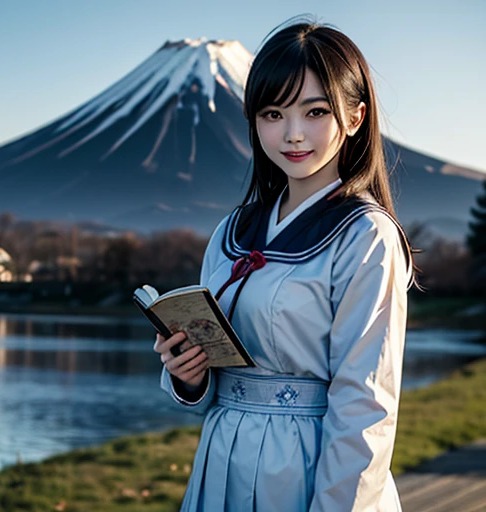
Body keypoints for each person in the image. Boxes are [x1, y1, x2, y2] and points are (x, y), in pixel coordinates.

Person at [154, 14, 420, 512]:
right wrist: (189, 375)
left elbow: (365, 407)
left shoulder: (366, 237)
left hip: (306, 466)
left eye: (315, 112)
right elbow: (214, 377)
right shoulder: (232, 231)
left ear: (356, 117)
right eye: (273, 114)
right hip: (221, 457)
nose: (293, 134)